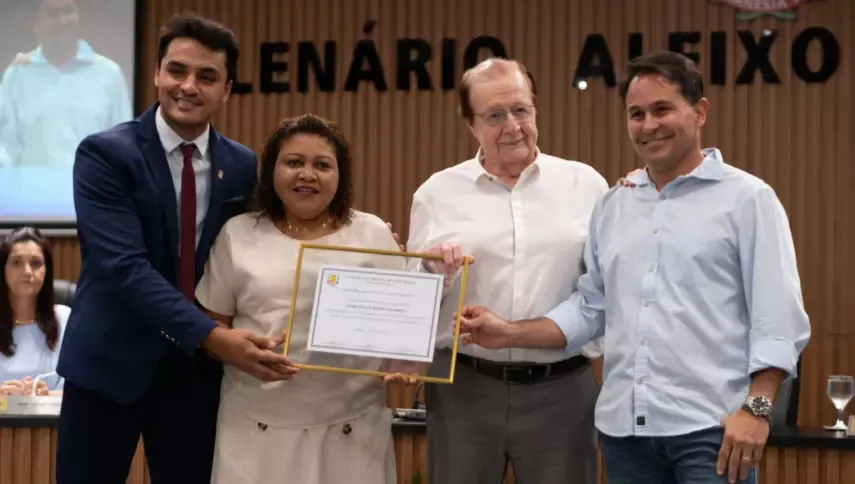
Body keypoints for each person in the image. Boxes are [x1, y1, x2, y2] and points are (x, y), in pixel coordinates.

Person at [456, 51, 811, 484]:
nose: (648, 125)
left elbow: (778, 322)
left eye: (662, 109)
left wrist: (758, 410)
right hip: (626, 435)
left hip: (712, 431)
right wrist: (511, 333)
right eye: (636, 114)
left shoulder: (748, 200)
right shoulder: (613, 204)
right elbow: (591, 308)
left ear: (699, 112)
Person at [54, 13, 298, 484]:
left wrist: (355, 239)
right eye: (177, 70)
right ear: (157, 74)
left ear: (227, 89)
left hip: (195, 378)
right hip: (108, 367)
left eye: (207, 76)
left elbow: (276, 238)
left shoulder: (244, 165)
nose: (188, 86)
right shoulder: (105, 154)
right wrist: (210, 334)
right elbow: (123, 267)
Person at [406, 58, 608, 484]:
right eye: (495, 115)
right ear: (470, 123)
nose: (513, 125)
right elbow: (413, 303)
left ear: (536, 109)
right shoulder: (436, 193)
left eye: (521, 110)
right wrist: (431, 271)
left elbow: (602, 291)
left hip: (563, 388)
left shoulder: (586, 185)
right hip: (464, 387)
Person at [196, 113, 417, 484]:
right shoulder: (238, 233)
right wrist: (234, 349)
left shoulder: (372, 233)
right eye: (294, 162)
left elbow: (402, 326)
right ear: (271, 172)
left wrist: (405, 362)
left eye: (322, 165)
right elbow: (212, 326)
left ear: (340, 174)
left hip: (352, 431)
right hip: (254, 428)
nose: (307, 174)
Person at [0, 0, 131, 168]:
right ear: (35, 23)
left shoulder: (109, 74)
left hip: (93, 191)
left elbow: (122, 146)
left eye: (68, 11)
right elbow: (6, 148)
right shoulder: (17, 77)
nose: (63, 21)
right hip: (32, 191)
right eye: (52, 14)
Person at [0, 226, 70, 396]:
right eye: (16, 262)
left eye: (36, 263)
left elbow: (80, 392)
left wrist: (46, 397)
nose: (27, 272)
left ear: (47, 271)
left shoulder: (65, 319)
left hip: (52, 421)